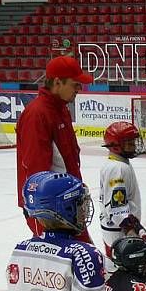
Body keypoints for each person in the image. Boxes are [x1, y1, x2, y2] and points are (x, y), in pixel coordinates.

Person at [16, 56, 94, 240]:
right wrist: (44, 215)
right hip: (51, 214)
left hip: (69, 206)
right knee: (66, 264)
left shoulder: (61, 109)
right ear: (58, 82)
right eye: (75, 84)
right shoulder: (37, 114)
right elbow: (36, 173)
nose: (79, 89)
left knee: (85, 260)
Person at [100, 121, 146, 273]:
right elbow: (118, 205)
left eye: (133, 141)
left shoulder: (117, 164)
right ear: (115, 145)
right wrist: (131, 228)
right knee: (123, 269)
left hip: (113, 227)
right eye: (129, 142)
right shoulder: (118, 168)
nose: (134, 146)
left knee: (115, 265)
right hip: (119, 229)